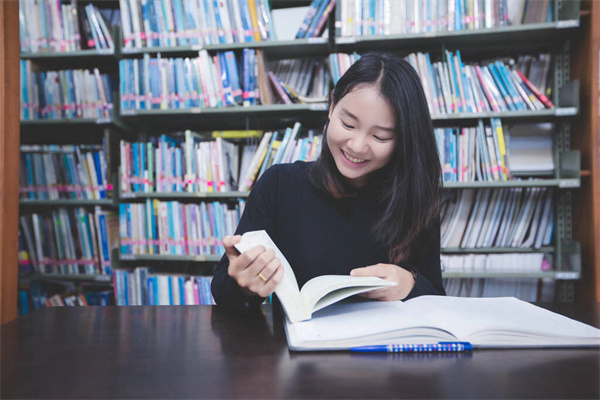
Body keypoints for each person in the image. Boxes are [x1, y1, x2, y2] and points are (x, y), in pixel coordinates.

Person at [211, 52, 445, 310]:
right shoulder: (279, 185)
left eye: (380, 137)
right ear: (332, 106)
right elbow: (223, 290)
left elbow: (436, 298)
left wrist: (409, 284)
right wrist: (243, 283)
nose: (357, 146)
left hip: (382, 348)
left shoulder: (415, 198)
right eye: (347, 124)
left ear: (403, 139)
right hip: (298, 346)